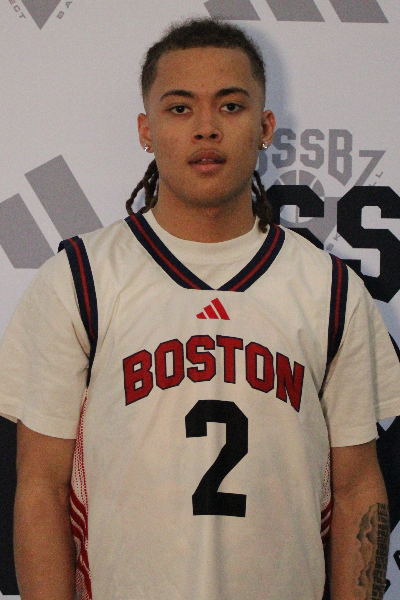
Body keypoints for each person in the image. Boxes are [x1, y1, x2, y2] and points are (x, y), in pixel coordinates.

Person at [0, 17, 399, 600]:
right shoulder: (80, 278)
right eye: (180, 108)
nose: (206, 128)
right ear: (146, 129)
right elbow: (40, 485)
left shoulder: (329, 287)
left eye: (231, 107)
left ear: (265, 127)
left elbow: (359, 486)